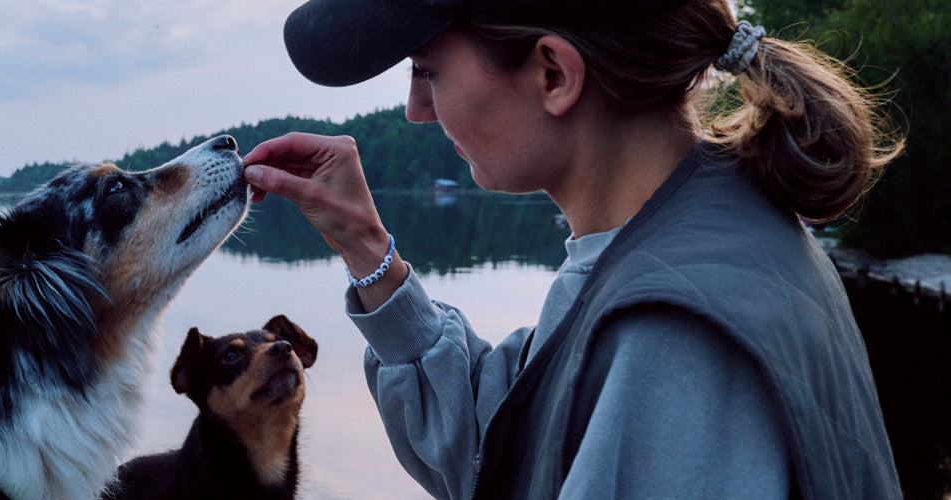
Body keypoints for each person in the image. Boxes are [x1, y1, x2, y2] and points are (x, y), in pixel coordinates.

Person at [242, 0, 904, 498]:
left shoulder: (674, 335)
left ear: (554, 73)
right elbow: (507, 450)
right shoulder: (683, 244)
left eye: (427, 70)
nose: (417, 108)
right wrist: (365, 246)